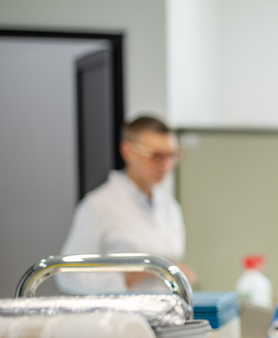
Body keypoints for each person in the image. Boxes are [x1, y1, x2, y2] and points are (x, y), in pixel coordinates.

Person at [58, 115, 192, 293]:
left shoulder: (170, 206)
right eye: (157, 156)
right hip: (119, 310)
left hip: (164, 307)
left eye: (172, 155)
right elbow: (68, 276)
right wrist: (132, 277)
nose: (167, 165)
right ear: (128, 151)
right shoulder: (99, 205)